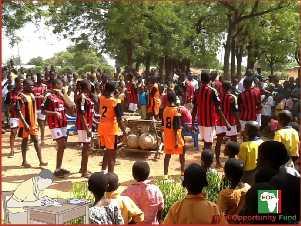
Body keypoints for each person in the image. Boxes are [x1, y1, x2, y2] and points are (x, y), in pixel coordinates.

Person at [240, 141, 300, 224]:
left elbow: (267, 219)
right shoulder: (293, 176)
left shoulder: (268, 186)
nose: (257, 160)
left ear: (267, 160)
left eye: (259, 156)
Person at [192, 71, 231, 150]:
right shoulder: (212, 91)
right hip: (209, 121)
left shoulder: (197, 91)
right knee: (208, 144)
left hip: (200, 121)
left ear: (201, 80)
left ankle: (204, 160)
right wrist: (226, 123)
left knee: (205, 143)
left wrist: (193, 123)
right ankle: (206, 161)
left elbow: (194, 109)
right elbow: (218, 108)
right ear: (209, 80)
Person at [43, 79, 74, 178]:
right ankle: (57, 169)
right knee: (61, 144)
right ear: (56, 84)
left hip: (63, 123)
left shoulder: (61, 96)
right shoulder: (48, 96)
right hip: (54, 124)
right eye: (61, 84)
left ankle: (58, 168)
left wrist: (65, 95)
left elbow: (71, 107)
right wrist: (55, 113)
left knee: (63, 146)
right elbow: (43, 111)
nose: (63, 86)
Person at [16, 79, 48, 168]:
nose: (32, 88)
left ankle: (41, 161)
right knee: (25, 141)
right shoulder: (20, 96)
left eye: (33, 86)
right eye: (30, 86)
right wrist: (25, 123)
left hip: (33, 123)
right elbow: (18, 111)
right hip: (25, 123)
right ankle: (24, 161)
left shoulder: (31, 94)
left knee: (36, 141)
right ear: (25, 86)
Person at [98, 82, 126, 173]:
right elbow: (119, 119)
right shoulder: (116, 102)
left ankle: (103, 170)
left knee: (107, 150)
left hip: (102, 128)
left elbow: (103, 94)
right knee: (112, 155)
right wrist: (124, 132)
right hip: (111, 130)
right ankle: (111, 176)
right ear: (114, 90)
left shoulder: (101, 99)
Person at [215, 81, 240, 167]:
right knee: (234, 141)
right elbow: (234, 112)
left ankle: (217, 161)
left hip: (219, 122)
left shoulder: (218, 97)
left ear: (222, 88)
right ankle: (232, 159)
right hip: (230, 122)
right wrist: (238, 123)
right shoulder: (232, 97)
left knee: (218, 142)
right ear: (230, 88)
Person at [162, 91, 185, 178]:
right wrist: (176, 141)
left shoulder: (165, 110)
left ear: (167, 99)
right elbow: (176, 127)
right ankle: (182, 172)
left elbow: (164, 123)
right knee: (182, 154)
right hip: (176, 137)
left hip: (167, 137)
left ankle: (165, 174)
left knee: (167, 156)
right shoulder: (176, 111)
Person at [75, 80, 94, 178]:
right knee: (86, 148)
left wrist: (94, 122)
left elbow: (88, 112)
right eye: (89, 85)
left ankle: (83, 168)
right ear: (86, 86)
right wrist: (87, 129)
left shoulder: (86, 97)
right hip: (83, 126)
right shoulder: (82, 97)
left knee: (86, 147)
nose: (91, 86)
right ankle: (84, 171)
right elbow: (81, 114)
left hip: (87, 125)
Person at [238, 121, 263, 186]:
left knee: (247, 192)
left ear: (247, 132)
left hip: (248, 175)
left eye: (245, 128)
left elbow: (241, 164)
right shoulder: (262, 143)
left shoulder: (244, 146)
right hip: (260, 172)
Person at [5, 76, 23, 157]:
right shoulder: (10, 93)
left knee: (24, 133)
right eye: (20, 82)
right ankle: (12, 150)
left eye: (23, 82)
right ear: (16, 83)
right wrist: (11, 106)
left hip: (24, 116)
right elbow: (7, 105)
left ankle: (24, 148)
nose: (22, 84)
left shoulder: (25, 92)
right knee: (13, 132)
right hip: (14, 115)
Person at [32, 73, 47, 145]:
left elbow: (45, 96)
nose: (41, 78)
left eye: (42, 77)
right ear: (37, 78)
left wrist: (38, 97)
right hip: (33, 107)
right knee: (33, 123)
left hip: (41, 108)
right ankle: (33, 138)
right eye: (39, 77)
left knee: (41, 124)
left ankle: (42, 139)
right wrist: (39, 96)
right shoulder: (33, 86)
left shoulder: (45, 86)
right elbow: (31, 96)